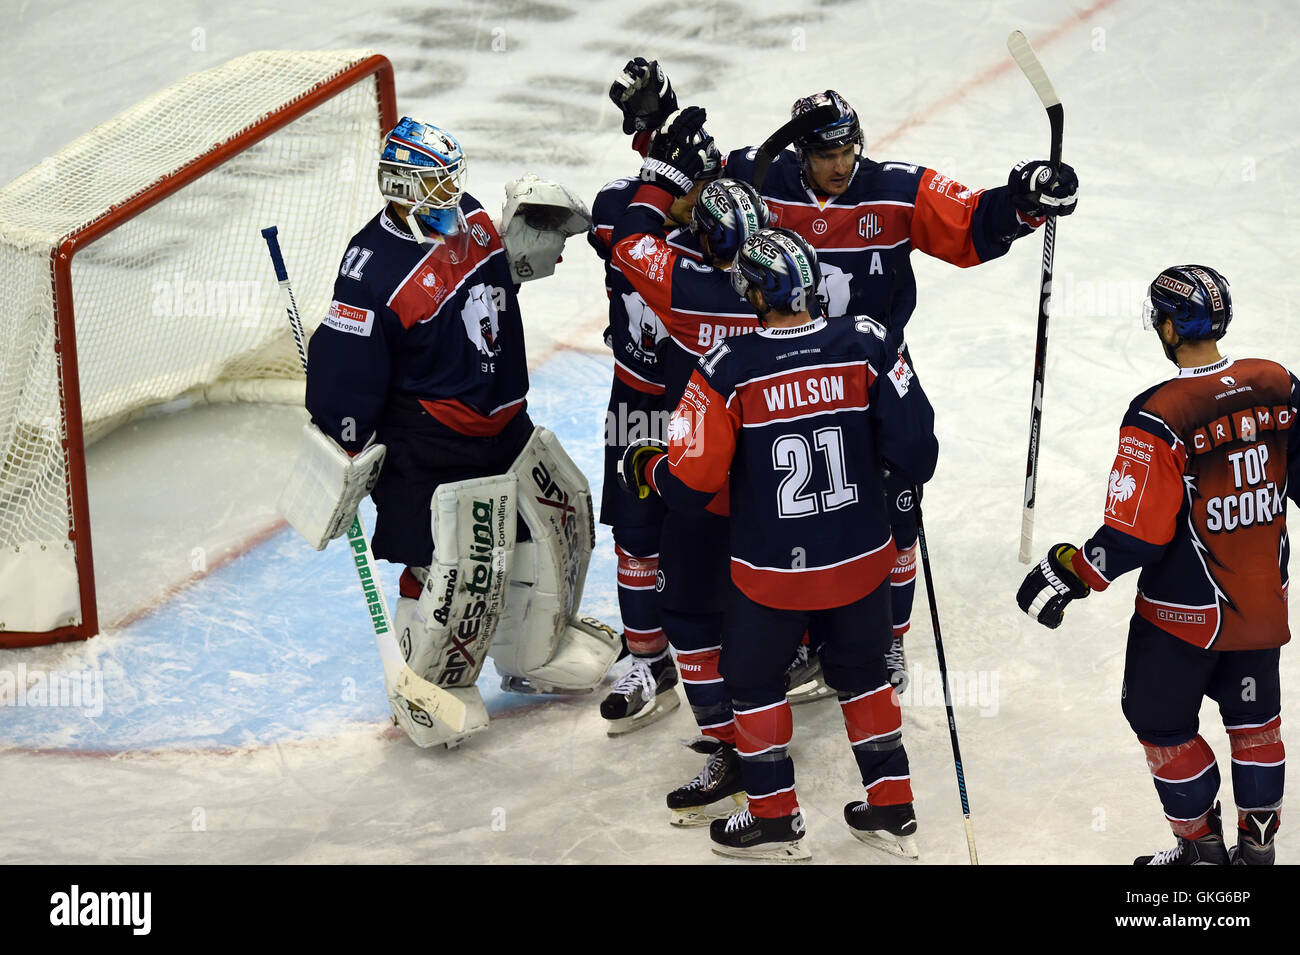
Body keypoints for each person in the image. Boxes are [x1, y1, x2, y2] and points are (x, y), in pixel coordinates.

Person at [616, 67, 1078, 694]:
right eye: (827, 154)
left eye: (848, 151)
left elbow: (970, 223)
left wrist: (1022, 202)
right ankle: (810, 638)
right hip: (783, 381)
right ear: (801, 152)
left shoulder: (895, 189)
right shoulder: (760, 173)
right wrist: (656, 133)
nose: (840, 166)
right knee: (800, 514)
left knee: (895, 506)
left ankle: (887, 642)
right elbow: (695, 186)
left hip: (868, 374)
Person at [299, 116, 617, 748]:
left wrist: (526, 240)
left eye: (452, 183)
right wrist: (342, 443)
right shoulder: (371, 275)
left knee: (561, 521)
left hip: (506, 422)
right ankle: (430, 681)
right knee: (459, 565)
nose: (451, 197)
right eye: (436, 187)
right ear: (402, 188)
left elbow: (496, 287)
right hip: (432, 443)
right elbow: (344, 377)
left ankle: (534, 649)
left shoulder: (467, 217)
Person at [622, 227, 938, 861]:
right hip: (861, 561)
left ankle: (775, 822)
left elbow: (691, 482)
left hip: (773, 573)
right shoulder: (869, 343)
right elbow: (917, 450)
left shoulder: (726, 368)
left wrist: (650, 467)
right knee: (865, 676)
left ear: (753, 293)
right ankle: (893, 808)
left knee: (752, 681)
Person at [1017, 265, 1293, 865]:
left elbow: (1136, 534)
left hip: (1182, 617)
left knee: (1160, 722)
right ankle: (1257, 852)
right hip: (1263, 607)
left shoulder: (1159, 414)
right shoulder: (1277, 384)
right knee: (1254, 720)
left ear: (1168, 325)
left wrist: (1070, 572)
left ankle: (1201, 854)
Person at [606, 106, 771, 822]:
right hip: (766, 473)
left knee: (691, 610)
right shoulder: (792, 282)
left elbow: (627, 235)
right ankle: (792, 784)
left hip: (699, 471)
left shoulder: (683, 283)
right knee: (765, 612)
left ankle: (734, 752)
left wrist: (660, 171)